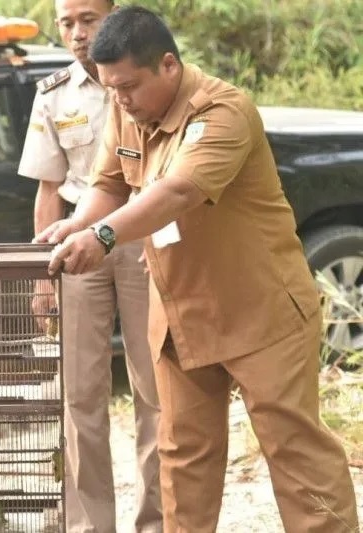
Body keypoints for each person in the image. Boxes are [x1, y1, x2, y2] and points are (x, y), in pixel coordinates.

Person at [38, 6, 359, 532]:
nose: (119, 99)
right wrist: (76, 224)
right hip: (180, 314)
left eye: (128, 86)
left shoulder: (223, 111)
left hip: (260, 312)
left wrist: (102, 235)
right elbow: (109, 182)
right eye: (110, 88)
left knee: (294, 451)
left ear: (168, 65)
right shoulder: (127, 107)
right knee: (182, 458)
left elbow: (179, 190)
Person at [18, 1, 162, 531]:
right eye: (68, 23)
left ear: (114, 14)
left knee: (157, 388)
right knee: (79, 393)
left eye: (90, 19)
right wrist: (43, 270)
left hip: (148, 237)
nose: (78, 33)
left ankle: (158, 522)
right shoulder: (53, 94)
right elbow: (48, 188)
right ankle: (88, 525)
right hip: (80, 246)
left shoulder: (148, 72)